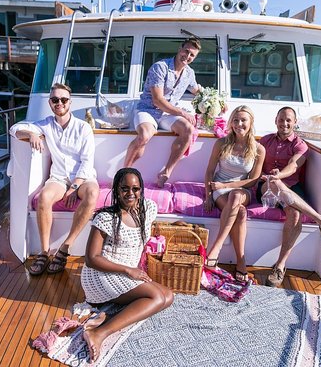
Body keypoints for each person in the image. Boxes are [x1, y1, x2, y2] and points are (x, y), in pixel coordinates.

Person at [81, 167, 173, 363]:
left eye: (135, 188)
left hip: (128, 273)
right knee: (156, 297)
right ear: (116, 190)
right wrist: (128, 270)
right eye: (124, 188)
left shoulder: (148, 209)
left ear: (141, 189)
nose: (130, 194)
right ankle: (99, 333)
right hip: (101, 274)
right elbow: (91, 258)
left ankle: (109, 313)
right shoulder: (106, 218)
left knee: (168, 296)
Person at [13, 83, 99, 275]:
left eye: (63, 99)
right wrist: (31, 133)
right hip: (58, 178)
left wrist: (75, 187)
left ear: (70, 102)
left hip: (82, 178)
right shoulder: (44, 125)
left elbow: (87, 161)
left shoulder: (83, 128)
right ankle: (44, 252)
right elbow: (15, 129)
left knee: (93, 193)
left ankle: (65, 247)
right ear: (50, 103)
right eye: (54, 100)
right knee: (44, 197)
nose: (59, 103)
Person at [257, 106, 321, 287]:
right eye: (281, 119)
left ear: (295, 123)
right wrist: (270, 177)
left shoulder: (300, 145)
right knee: (275, 183)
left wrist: (280, 175)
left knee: (294, 215)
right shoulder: (265, 140)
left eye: (288, 120)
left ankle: (280, 266)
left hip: (291, 186)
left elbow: (294, 166)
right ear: (275, 120)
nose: (284, 123)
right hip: (265, 186)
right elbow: (257, 165)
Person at [124, 38, 202, 187]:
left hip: (168, 115)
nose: (188, 56)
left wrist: (216, 102)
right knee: (144, 136)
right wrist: (183, 113)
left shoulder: (189, 73)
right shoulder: (160, 67)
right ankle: (124, 172)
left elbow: (197, 91)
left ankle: (166, 172)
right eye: (186, 51)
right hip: (148, 110)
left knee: (188, 130)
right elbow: (157, 100)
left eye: (192, 55)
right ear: (180, 48)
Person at [203, 106, 265, 282]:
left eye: (243, 120)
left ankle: (216, 247)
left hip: (242, 190)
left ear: (251, 122)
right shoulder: (221, 143)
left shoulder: (259, 149)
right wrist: (208, 195)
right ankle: (241, 261)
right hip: (219, 190)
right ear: (231, 122)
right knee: (241, 212)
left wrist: (228, 184)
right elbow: (209, 172)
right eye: (236, 120)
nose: (239, 124)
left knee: (236, 196)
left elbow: (253, 180)